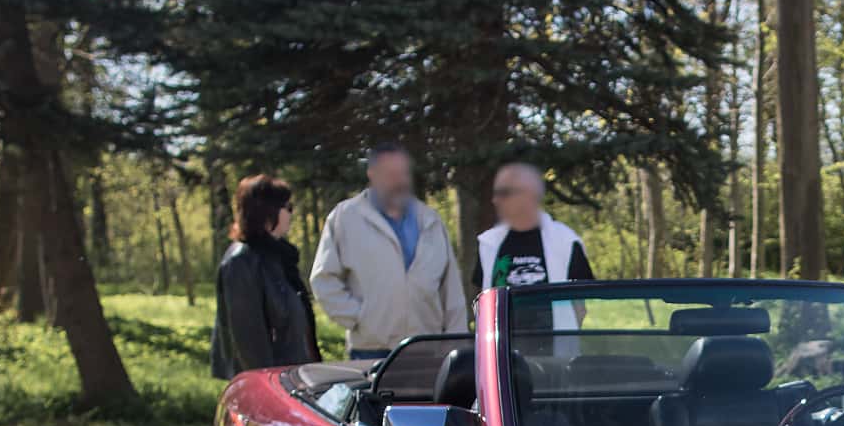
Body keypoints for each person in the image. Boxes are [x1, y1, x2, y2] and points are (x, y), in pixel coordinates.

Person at [309, 141, 467, 360]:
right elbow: (324, 279)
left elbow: (451, 289)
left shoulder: (429, 220)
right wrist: (359, 318)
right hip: (371, 349)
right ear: (372, 174)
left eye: (403, 174)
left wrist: (455, 341)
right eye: (391, 174)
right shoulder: (346, 218)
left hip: (428, 346)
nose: (399, 181)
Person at [210, 174, 319, 379]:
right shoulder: (241, 262)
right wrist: (270, 386)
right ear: (267, 212)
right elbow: (249, 341)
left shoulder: (278, 258)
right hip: (271, 386)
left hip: (292, 378)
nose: (291, 214)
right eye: (288, 207)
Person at [472, 161, 593, 333]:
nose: (495, 200)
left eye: (504, 193)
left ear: (529, 195)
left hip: (555, 353)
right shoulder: (488, 243)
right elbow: (481, 299)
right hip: (501, 353)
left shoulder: (566, 242)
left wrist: (566, 349)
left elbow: (580, 306)